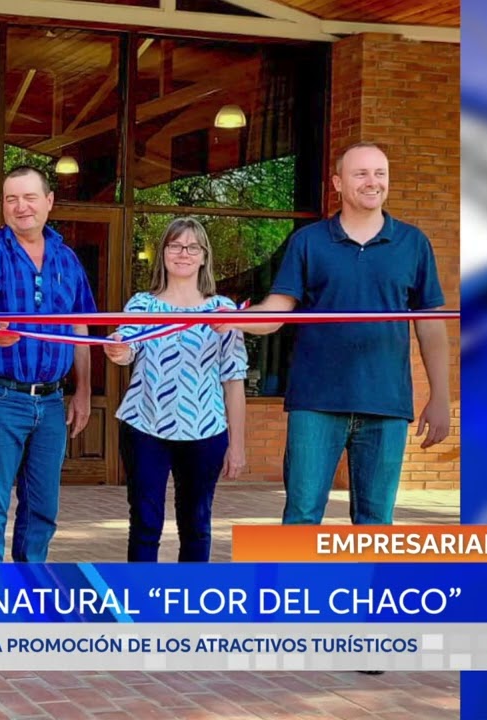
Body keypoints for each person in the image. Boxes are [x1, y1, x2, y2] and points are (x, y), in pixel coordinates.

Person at [217, 142, 451, 526]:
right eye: (361, 174)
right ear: (338, 183)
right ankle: (297, 589)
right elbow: (276, 314)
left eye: (380, 173)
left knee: (376, 522)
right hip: (316, 402)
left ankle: (366, 590)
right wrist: (228, 318)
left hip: (386, 403)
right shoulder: (308, 241)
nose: (372, 182)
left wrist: (440, 397)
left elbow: (430, 324)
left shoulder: (413, 244)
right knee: (302, 516)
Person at [0, 165, 97, 563]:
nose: (21, 207)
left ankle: (28, 595)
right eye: (11, 199)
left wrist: (83, 391)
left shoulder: (67, 259)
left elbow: (79, 327)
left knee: (42, 511)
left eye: (29, 197)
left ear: (49, 202)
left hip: (52, 402)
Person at [104, 218, 248, 563]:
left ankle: (189, 605)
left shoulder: (223, 311)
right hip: (145, 427)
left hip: (206, 430)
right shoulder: (142, 305)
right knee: (144, 523)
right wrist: (118, 350)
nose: (183, 253)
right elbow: (126, 351)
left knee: (197, 525)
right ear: (163, 254)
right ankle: (140, 603)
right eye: (174, 245)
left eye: (192, 247)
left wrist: (237, 444)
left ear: (203, 256)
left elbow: (234, 378)